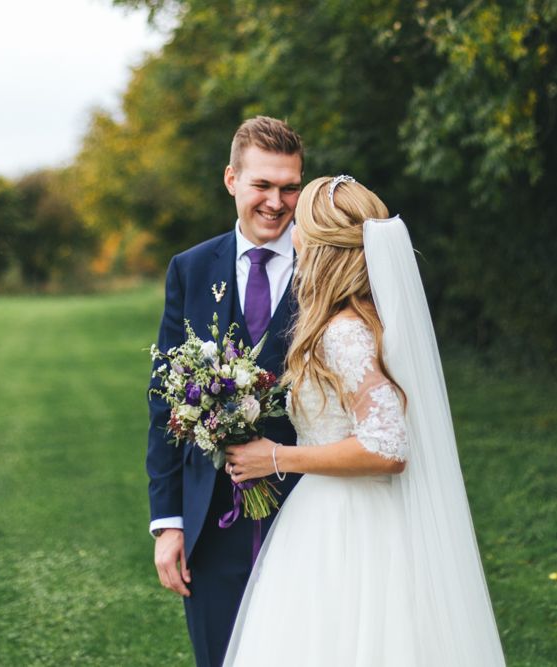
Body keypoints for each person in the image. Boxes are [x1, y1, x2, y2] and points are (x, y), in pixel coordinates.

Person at [221, 175, 506, 665]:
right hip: (330, 513)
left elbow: (386, 449)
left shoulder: (344, 333)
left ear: (320, 246)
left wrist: (275, 457)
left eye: (300, 226)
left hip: (350, 528)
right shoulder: (360, 319)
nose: (292, 235)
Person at [146, 116, 305, 667]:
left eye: (290, 187)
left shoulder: (329, 268)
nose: (277, 202)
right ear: (232, 179)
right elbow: (164, 399)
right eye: (263, 185)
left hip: (308, 509)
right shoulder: (190, 269)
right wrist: (168, 523)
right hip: (210, 520)